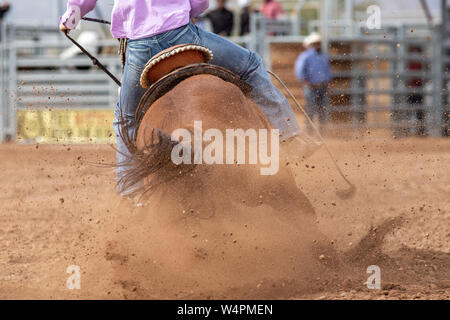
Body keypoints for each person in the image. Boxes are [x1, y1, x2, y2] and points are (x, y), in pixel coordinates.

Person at [60, 0, 304, 196]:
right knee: (251, 65)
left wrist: (73, 12)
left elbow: (81, 3)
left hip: (139, 47)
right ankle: (288, 134)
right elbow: (199, 4)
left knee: (125, 118)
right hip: (181, 34)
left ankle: (129, 190)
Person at [294, 33, 332, 130]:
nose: (318, 45)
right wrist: (307, 82)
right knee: (311, 110)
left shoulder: (323, 56)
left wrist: (328, 83)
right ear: (311, 44)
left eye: (319, 43)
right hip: (311, 87)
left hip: (323, 86)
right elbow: (299, 72)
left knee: (322, 110)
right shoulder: (305, 56)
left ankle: (322, 132)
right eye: (316, 43)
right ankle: (309, 132)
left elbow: (327, 71)